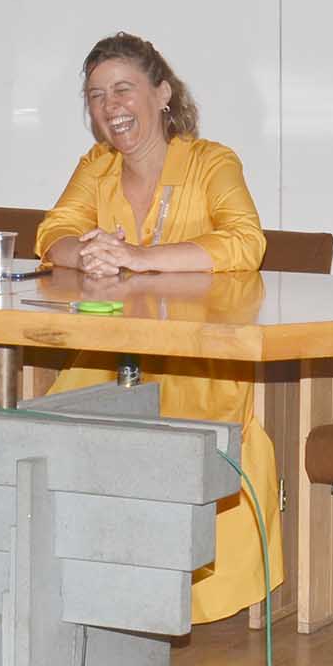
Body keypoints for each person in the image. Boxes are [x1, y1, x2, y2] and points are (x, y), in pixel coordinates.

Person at [35, 32, 282, 623]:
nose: (110, 106)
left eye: (123, 89)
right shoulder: (95, 166)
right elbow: (51, 235)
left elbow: (245, 243)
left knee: (186, 434)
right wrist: (87, 253)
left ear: (163, 93)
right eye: (97, 96)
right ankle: (90, 582)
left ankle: (176, 593)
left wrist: (141, 258)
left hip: (198, 357)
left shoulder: (211, 161)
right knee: (56, 427)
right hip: (111, 354)